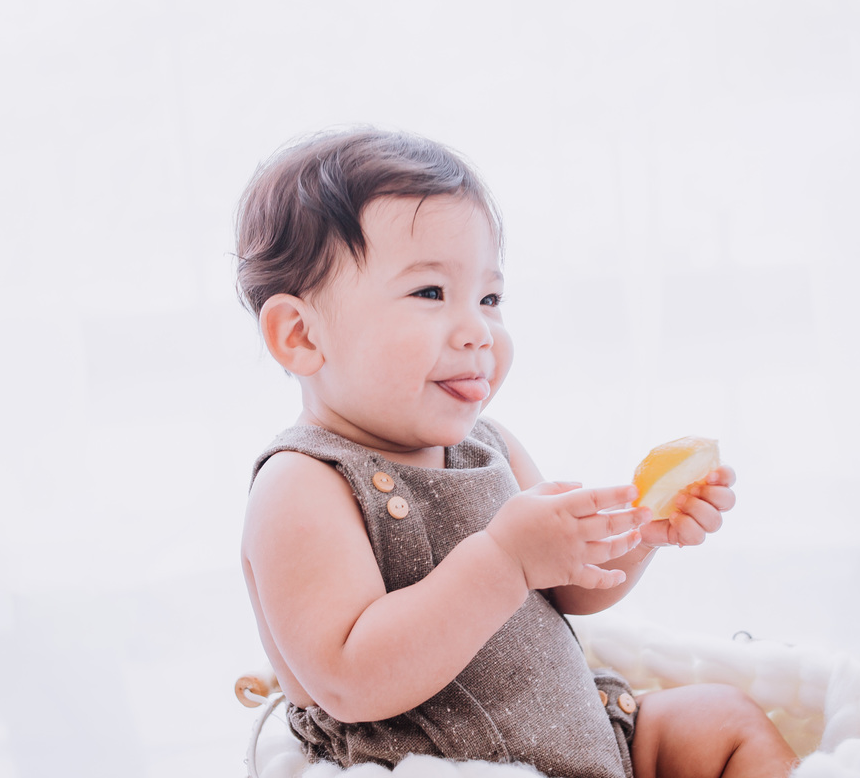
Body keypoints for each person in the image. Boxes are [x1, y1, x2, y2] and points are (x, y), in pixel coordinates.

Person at [235, 127, 798, 778]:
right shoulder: (303, 486)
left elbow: (567, 584)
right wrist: (503, 562)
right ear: (301, 335)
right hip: (439, 766)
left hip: (590, 742)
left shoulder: (490, 446)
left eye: (490, 298)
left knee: (723, 721)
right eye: (430, 293)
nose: (479, 331)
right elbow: (350, 679)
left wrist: (638, 533)